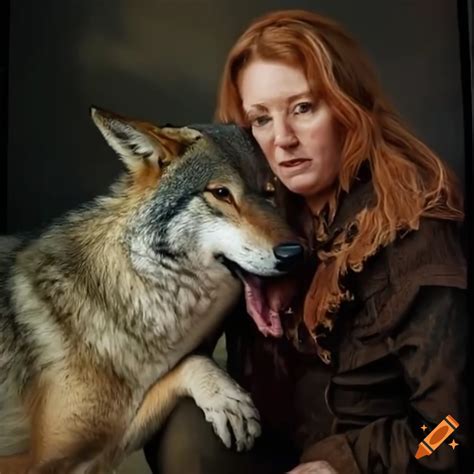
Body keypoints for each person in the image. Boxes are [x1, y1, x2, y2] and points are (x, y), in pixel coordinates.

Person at [144, 9, 468, 474]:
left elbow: (451, 429)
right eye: (261, 119)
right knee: (181, 424)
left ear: (346, 106)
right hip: (276, 445)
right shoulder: (255, 214)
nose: (283, 140)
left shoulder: (416, 233)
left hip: (372, 463)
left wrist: (345, 466)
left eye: (302, 108)